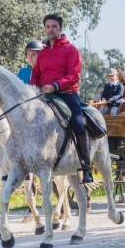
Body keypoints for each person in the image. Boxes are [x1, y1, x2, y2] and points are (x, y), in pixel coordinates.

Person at [30, 13, 94, 183]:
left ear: (60, 28)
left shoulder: (70, 50)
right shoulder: (42, 52)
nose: (50, 30)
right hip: (44, 95)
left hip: (66, 94)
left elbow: (74, 76)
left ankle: (86, 166)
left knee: (78, 124)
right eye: (48, 27)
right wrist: (32, 86)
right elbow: (36, 73)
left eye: (54, 27)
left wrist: (56, 85)